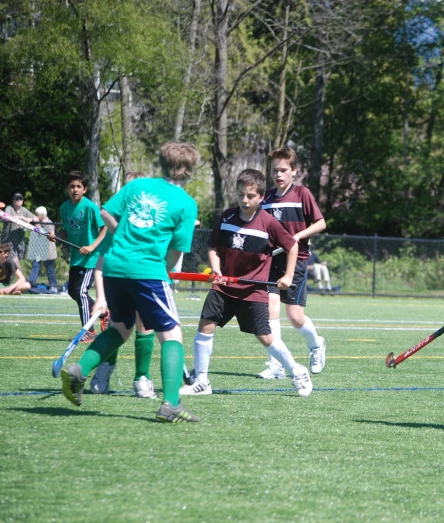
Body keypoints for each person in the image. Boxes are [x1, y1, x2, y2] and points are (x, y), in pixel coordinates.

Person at [59, 142, 202, 423]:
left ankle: (79, 371)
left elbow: (105, 213)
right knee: (171, 335)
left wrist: (123, 236)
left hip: (114, 266)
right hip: (148, 271)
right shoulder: (186, 203)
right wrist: (163, 267)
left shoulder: (138, 187)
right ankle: (171, 404)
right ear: (190, 171)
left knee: (120, 328)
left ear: (161, 164)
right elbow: (175, 253)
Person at [179, 168, 312, 397]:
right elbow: (213, 247)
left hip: (253, 290)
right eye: (240, 194)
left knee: (266, 337)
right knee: (205, 326)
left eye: (250, 196)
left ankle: (297, 371)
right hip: (223, 287)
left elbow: (292, 246)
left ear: (261, 197)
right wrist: (217, 269)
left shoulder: (268, 223)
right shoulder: (227, 217)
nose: (244, 200)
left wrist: (288, 276)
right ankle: (202, 381)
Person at [256, 147, 327, 380]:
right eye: (274, 170)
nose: (278, 175)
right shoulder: (265, 197)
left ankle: (317, 345)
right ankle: (275, 364)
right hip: (271, 261)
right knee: (270, 309)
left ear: (293, 171)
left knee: (295, 317)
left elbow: (320, 223)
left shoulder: (302, 194)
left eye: (283, 170)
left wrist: (296, 237)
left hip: (296, 260)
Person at [86, 171, 157, 399]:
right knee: (117, 329)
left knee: (145, 327)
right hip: (118, 284)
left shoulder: (151, 223)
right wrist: (100, 297)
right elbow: (99, 265)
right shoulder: (113, 227)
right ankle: (104, 371)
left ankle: (142, 378)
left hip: (145, 283)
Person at [51, 172, 107, 343]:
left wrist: (92, 246)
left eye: (78, 186)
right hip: (76, 257)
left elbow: (104, 229)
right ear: (67, 189)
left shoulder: (90, 207)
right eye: (71, 187)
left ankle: (89, 331)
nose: (75, 190)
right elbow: (67, 231)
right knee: (73, 291)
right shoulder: (64, 208)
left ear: (85, 189)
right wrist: (56, 235)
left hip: (91, 258)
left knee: (81, 292)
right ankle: (103, 312)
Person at [27, 206, 59, 290]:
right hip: (39, 250)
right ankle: (31, 283)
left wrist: (40, 228)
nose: (36, 216)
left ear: (42, 215)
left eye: (37, 215)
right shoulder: (38, 223)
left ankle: (53, 285)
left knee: (49, 267)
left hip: (48, 250)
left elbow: (50, 234)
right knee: (36, 264)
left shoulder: (49, 223)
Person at [2, 193, 35, 262]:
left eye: (21, 199)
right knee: (10, 260)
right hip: (8, 240)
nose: (19, 200)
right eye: (17, 199)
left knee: (19, 259)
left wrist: (30, 219)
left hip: (20, 240)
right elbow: (6, 217)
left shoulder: (24, 209)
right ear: (13, 200)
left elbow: (36, 218)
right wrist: (20, 217)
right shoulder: (9, 208)